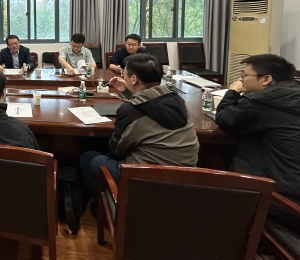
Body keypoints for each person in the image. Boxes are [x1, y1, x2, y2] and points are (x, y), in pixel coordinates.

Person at [80, 53, 199, 202]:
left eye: (125, 73)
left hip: (145, 181)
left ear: (134, 79)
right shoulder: (177, 100)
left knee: (88, 158)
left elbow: (116, 150)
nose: (122, 76)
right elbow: (151, 104)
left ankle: (105, 206)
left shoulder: (130, 111)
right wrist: (128, 92)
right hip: (185, 180)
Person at [215, 54, 300, 207]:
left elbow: (224, 118)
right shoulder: (292, 94)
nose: (241, 80)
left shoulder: (261, 101)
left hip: (277, 199)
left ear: (266, 79)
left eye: (244, 75)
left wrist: (232, 92)